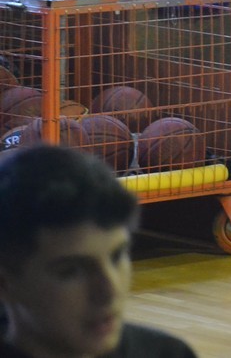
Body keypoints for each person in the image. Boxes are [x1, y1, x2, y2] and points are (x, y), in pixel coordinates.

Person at [0, 146, 197, 358]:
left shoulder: (167, 353)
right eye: (71, 271)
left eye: (117, 257)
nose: (109, 291)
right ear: (4, 284)